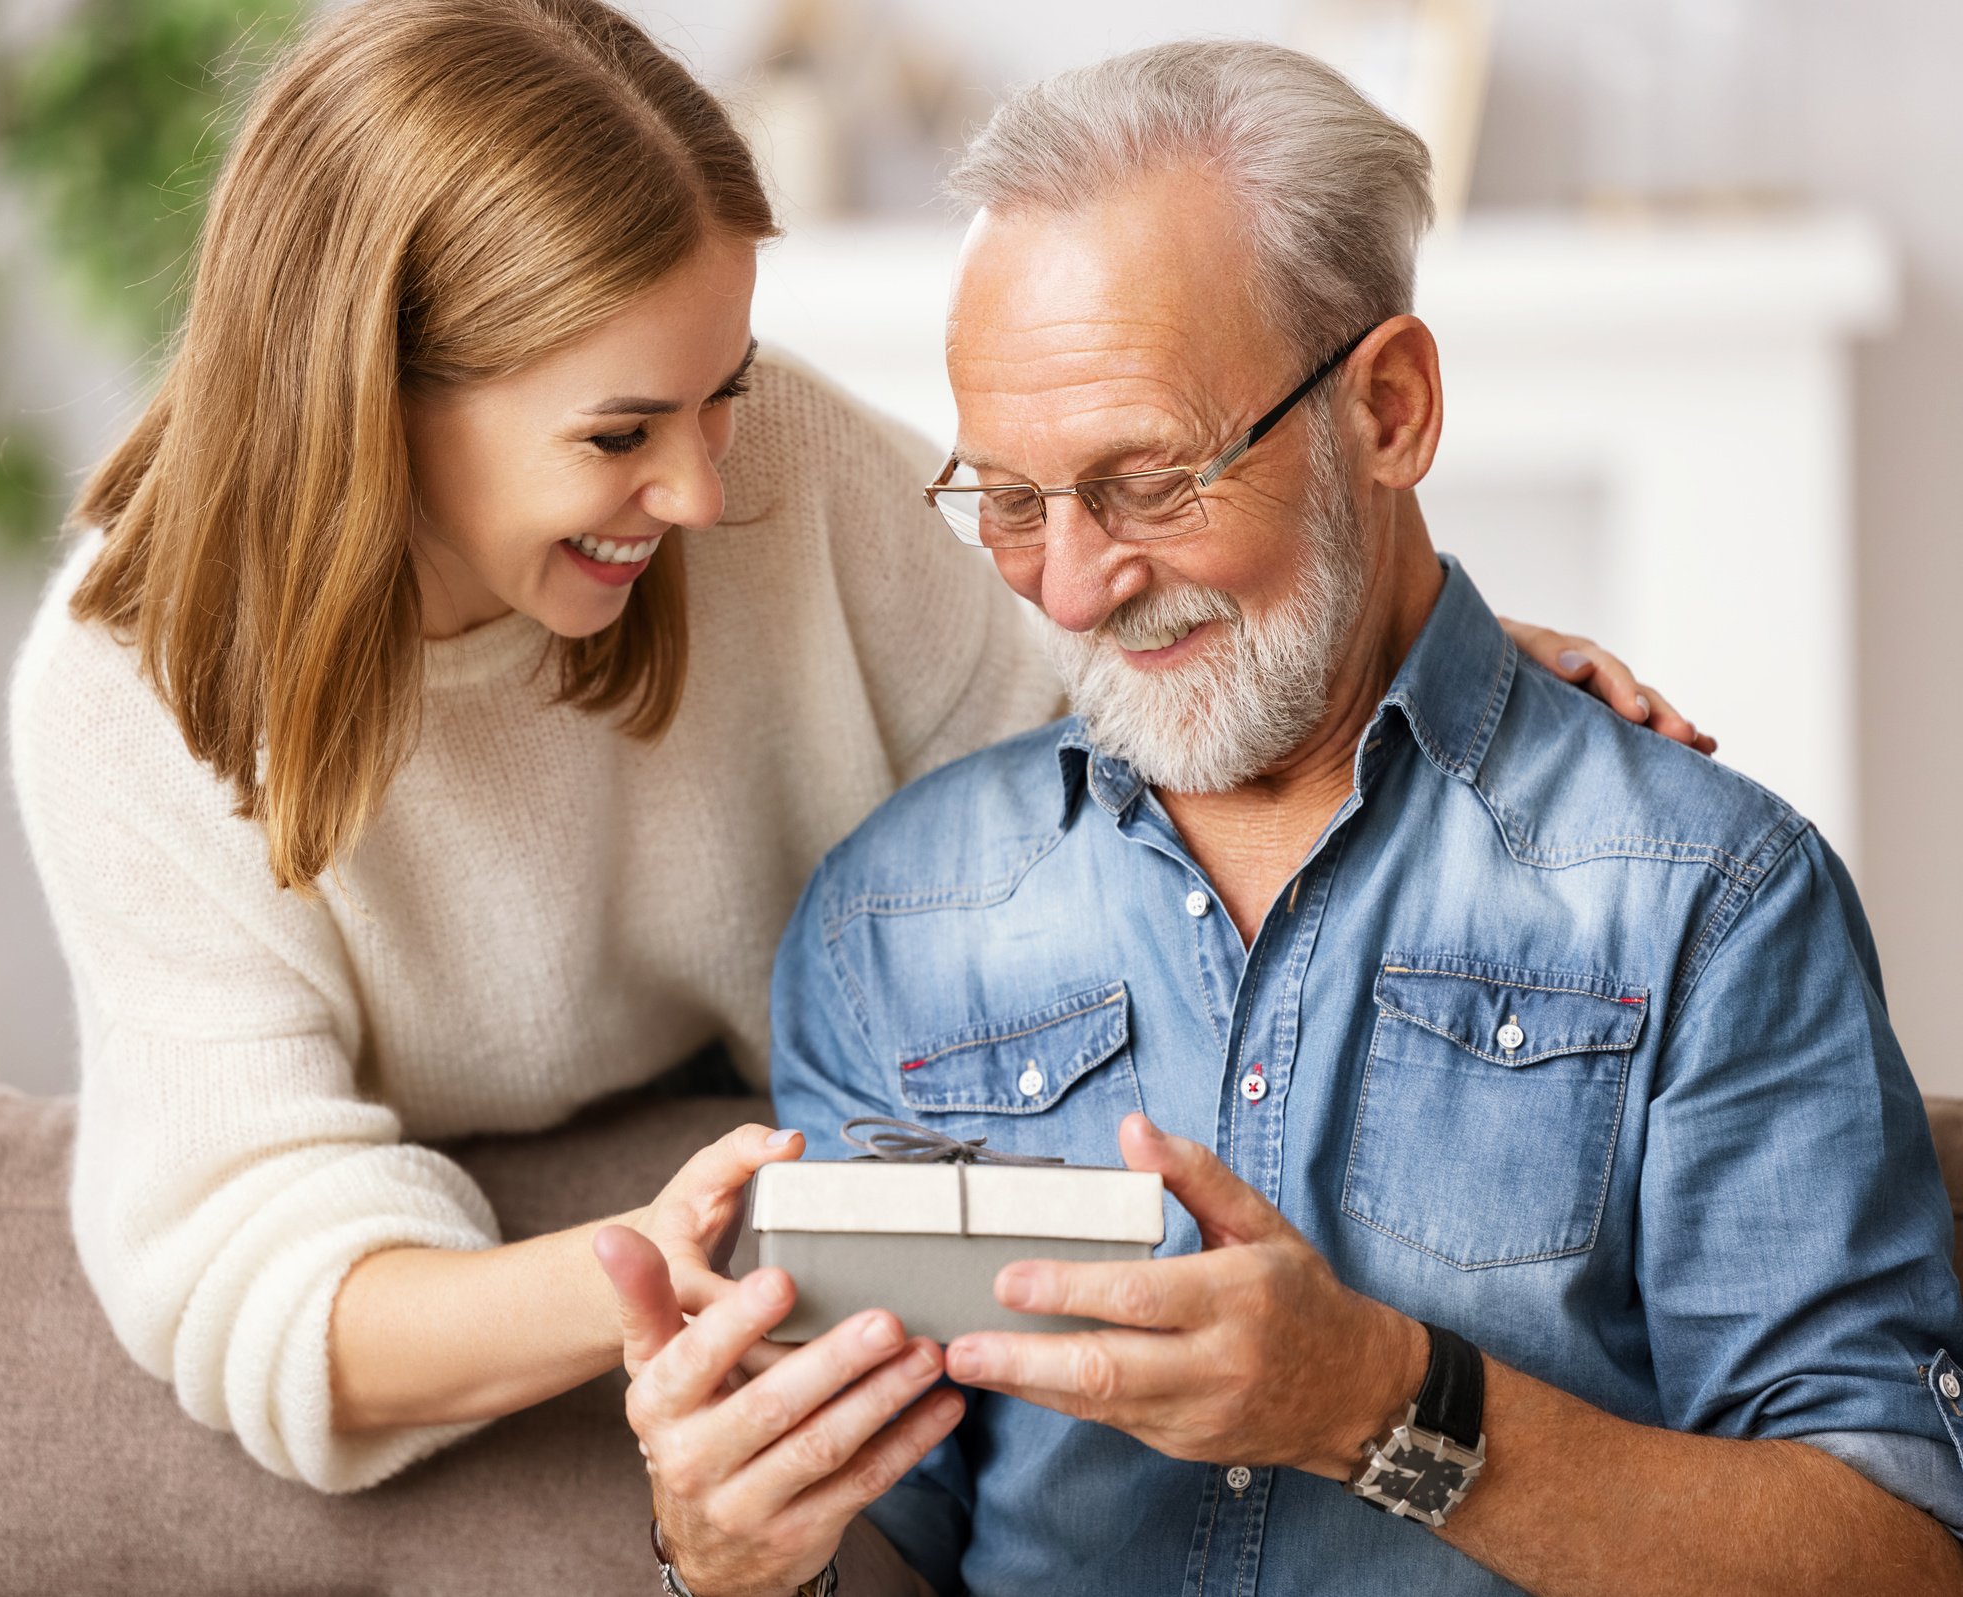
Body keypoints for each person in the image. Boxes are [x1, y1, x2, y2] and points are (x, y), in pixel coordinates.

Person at [9, 0, 1702, 1499]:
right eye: (618, 434)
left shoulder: (777, 469)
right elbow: (257, 1274)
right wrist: (666, 1262)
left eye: (723, 389)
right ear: (372, 397)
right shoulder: (127, 687)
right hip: (575, 1289)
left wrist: (1397, 654)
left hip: (820, 1160)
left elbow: (1098, 714)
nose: (702, 490)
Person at [601, 39, 1963, 1597]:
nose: (1069, 583)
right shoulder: (888, 918)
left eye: (1152, 479)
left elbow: (1896, 1554)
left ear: (1387, 408)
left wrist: (1388, 1402)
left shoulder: (1706, 897)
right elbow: (885, 1540)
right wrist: (728, 1556)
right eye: (1013, 498)